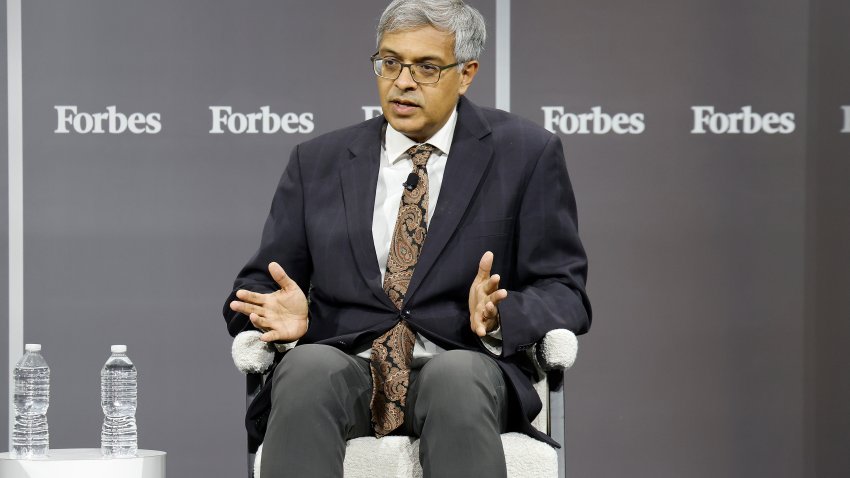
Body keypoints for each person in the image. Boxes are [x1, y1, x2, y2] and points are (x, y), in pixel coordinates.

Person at [223, 1, 591, 476]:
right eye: (390, 62)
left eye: (427, 67)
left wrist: (503, 315)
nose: (402, 81)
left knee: (454, 376)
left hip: (465, 367)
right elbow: (254, 289)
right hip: (349, 367)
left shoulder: (525, 154)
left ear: (467, 73)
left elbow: (566, 291)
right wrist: (284, 317)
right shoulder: (318, 162)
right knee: (307, 369)